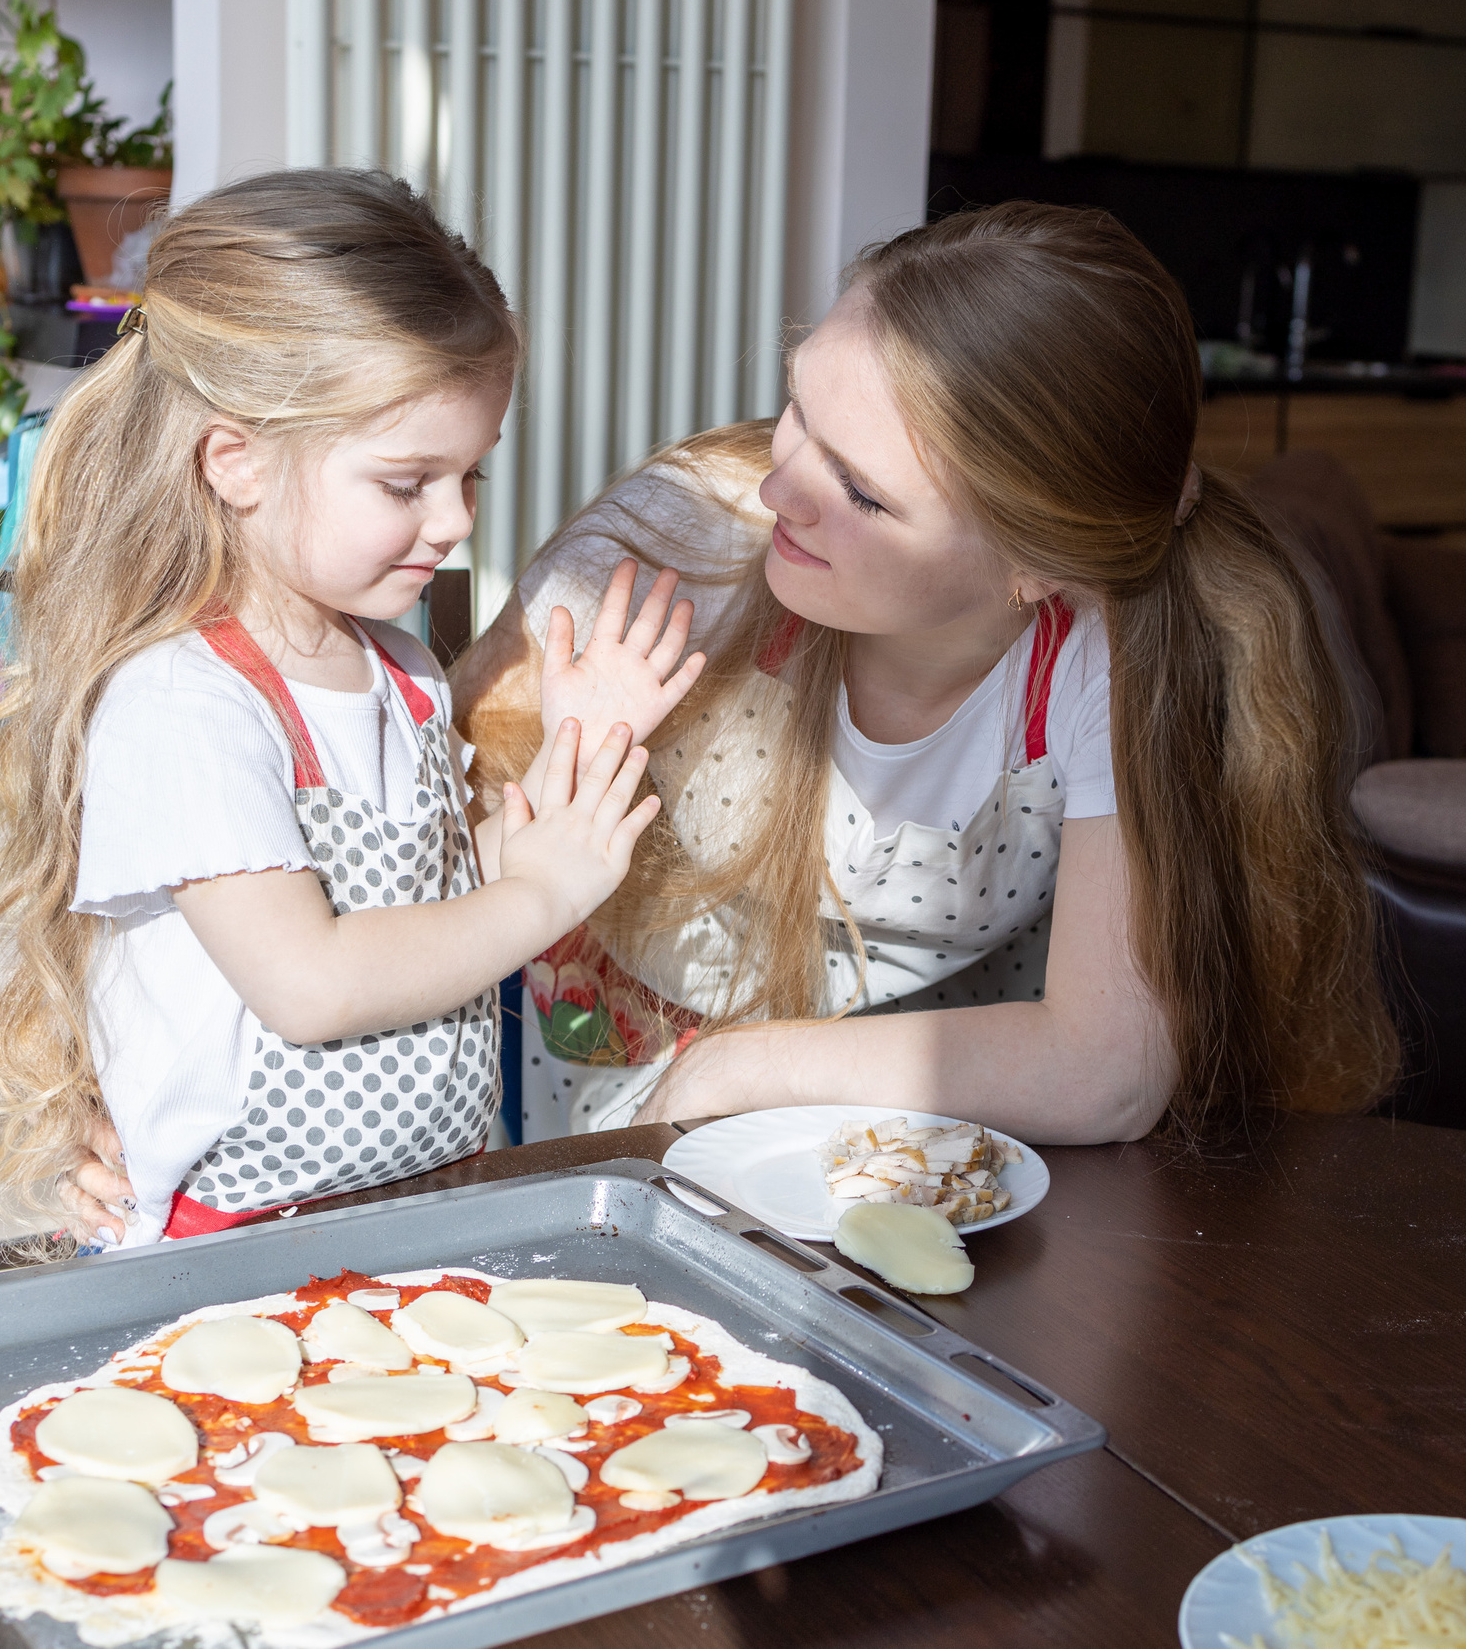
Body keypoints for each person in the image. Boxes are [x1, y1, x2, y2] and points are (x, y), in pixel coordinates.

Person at [455, 201, 1397, 1145]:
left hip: (886, 1097)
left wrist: (750, 1065)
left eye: (860, 490)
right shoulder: (684, 545)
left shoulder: (1101, 655)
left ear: (1035, 569)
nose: (779, 486)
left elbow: (1109, 1070)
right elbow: (444, 838)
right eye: (797, 406)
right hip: (605, 1049)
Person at [0, 170, 700, 1253]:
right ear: (236, 462)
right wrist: (544, 894)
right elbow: (310, 983)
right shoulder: (183, 701)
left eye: (471, 477)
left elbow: (433, 893)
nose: (452, 521)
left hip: (419, 1195)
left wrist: (569, 763)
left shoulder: (396, 667)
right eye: (407, 483)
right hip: (237, 1236)